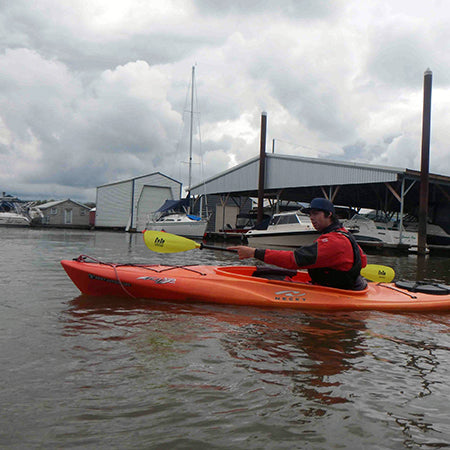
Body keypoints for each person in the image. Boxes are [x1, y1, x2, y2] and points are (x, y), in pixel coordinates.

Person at [229, 198, 368, 290]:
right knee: (270, 273)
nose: (312, 218)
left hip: (337, 292)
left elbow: (293, 260)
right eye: (310, 215)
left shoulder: (334, 242)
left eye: (315, 214)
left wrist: (254, 253)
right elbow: (363, 261)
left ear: (329, 214)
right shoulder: (344, 233)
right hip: (350, 286)